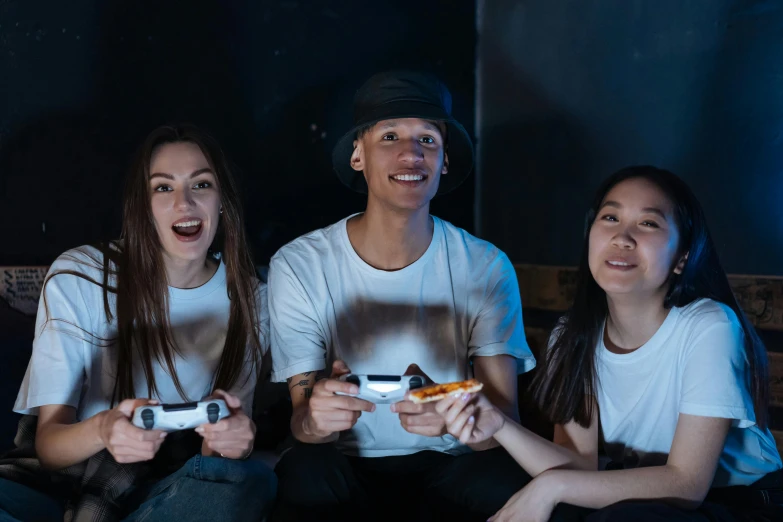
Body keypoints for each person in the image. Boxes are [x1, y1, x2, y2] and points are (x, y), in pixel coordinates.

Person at [436, 166, 783, 522]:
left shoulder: (708, 326)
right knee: (474, 479)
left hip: (740, 501)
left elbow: (686, 484)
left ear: (682, 258)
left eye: (648, 224)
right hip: (636, 490)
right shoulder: (572, 335)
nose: (623, 237)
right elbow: (576, 464)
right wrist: (499, 425)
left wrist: (551, 489)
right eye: (610, 217)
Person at [267, 70, 536, 522]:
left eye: (428, 139)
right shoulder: (300, 264)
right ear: (358, 154)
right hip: (346, 469)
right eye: (390, 135)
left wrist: (458, 421)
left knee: (503, 479)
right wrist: (317, 417)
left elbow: (503, 424)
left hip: (450, 466)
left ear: (445, 161)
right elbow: (301, 424)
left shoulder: (486, 266)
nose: (411, 153)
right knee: (305, 472)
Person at [0, 124, 276, 521]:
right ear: (142, 206)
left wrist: (236, 441)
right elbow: (49, 445)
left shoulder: (252, 298)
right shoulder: (82, 275)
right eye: (163, 188)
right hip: (51, 481)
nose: (184, 203)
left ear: (222, 202)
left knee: (247, 483)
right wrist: (104, 430)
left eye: (201, 185)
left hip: (161, 488)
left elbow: (217, 457)